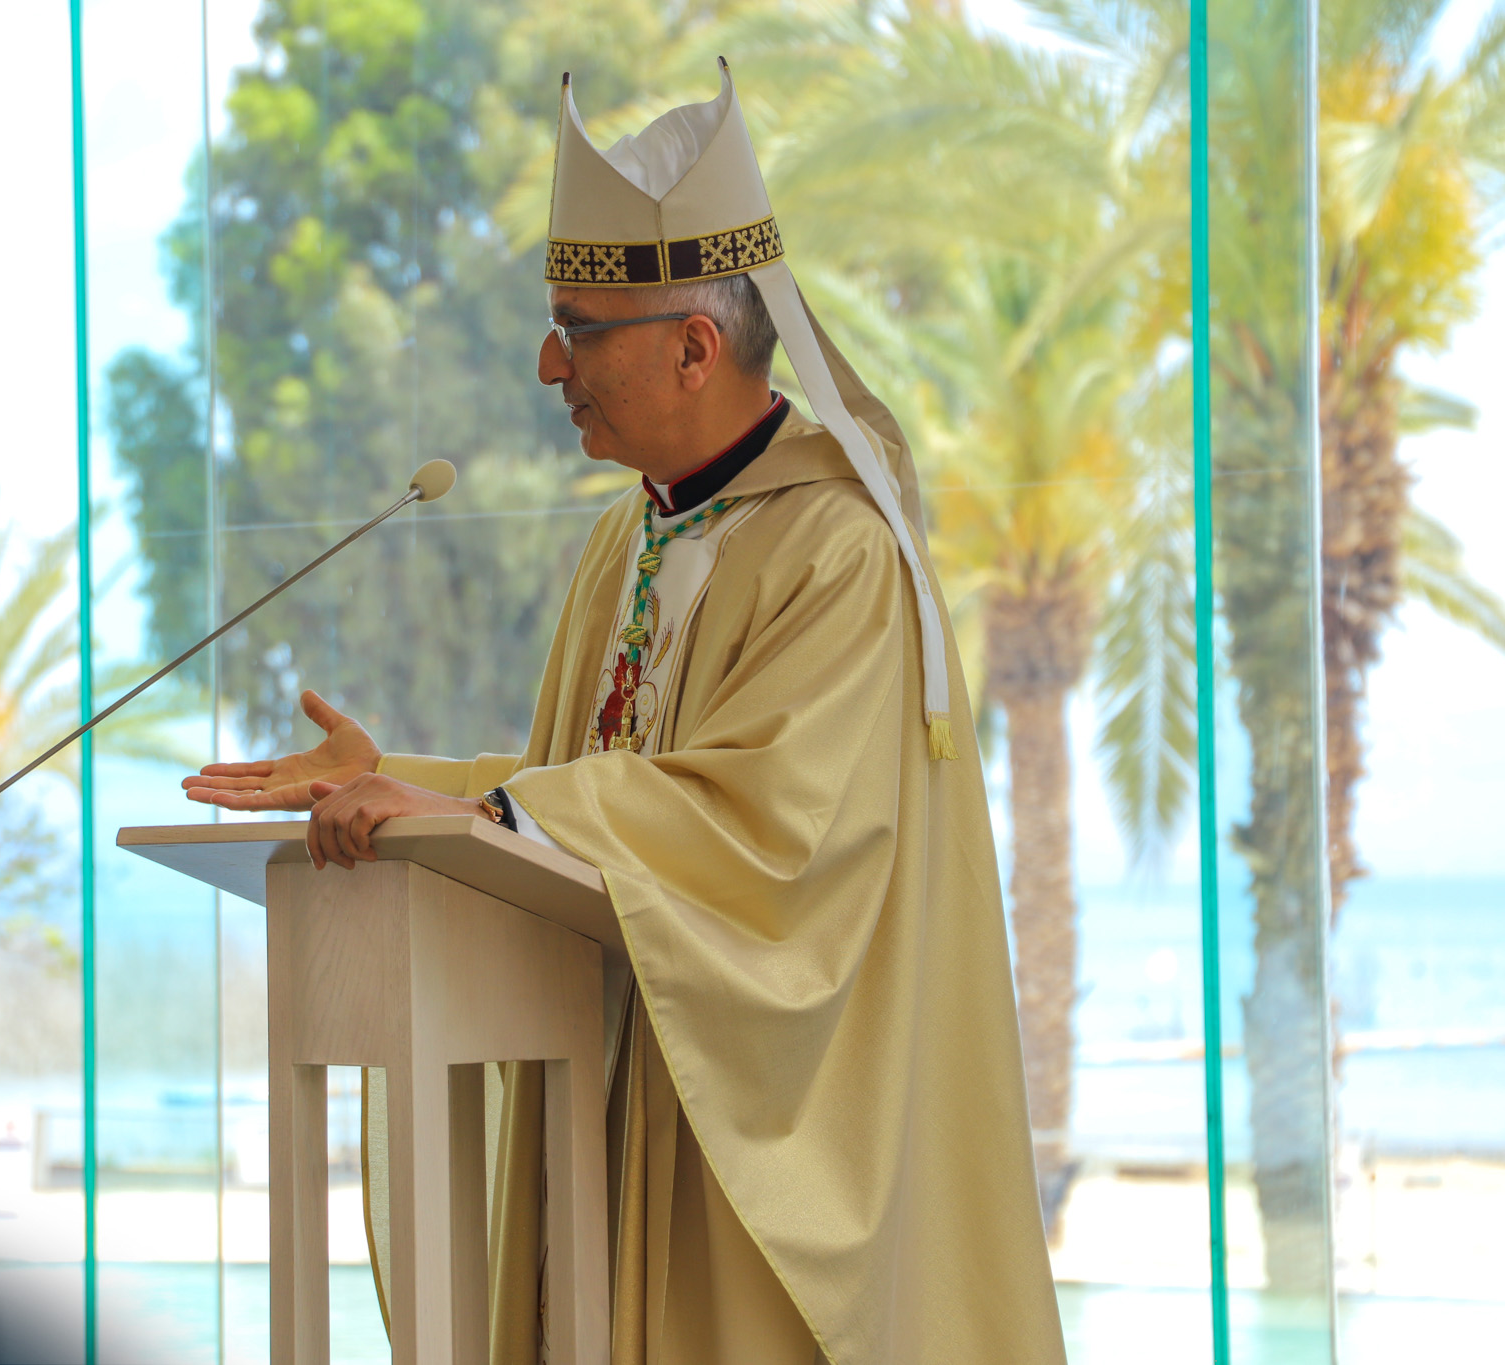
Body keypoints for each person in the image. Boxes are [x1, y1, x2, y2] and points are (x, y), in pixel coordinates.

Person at [183, 59, 1065, 1365]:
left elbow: (767, 828)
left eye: (577, 328)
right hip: (609, 1071)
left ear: (695, 347)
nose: (550, 365)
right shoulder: (627, 541)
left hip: (746, 1123)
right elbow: (584, 779)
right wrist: (402, 783)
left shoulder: (839, 552)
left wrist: (490, 809)